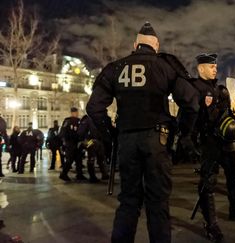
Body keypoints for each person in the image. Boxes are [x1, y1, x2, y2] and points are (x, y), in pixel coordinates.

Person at [86, 22, 199, 243]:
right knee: (157, 202)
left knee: (128, 201)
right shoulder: (166, 66)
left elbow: (94, 107)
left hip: (127, 140)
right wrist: (182, 132)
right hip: (158, 139)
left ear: (135, 45)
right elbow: (192, 103)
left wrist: (110, 134)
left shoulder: (115, 68)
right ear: (156, 46)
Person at [191, 53, 235, 242]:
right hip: (209, 142)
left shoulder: (220, 89)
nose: (215, 69)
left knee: (234, 175)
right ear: (201, 68)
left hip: (225, 141)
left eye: (215, 66)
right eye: (211, 66)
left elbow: (227, 112)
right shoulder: (195, 88)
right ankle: (211, 224)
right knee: (208, 183)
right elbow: (193, 115)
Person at [77, 115, 109, 183]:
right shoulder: (87, 119)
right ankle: (92, 176)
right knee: (92, 157)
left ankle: (104, 174)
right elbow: (81, 131)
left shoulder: (99, 118)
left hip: (98, 140)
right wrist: (84, 140)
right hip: (91, 140)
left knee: (101, 158)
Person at [59, 107, 86, 181]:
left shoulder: (75, 121)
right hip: (71, 143)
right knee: (70, 159)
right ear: (73, 113)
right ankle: (63, 174)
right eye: (76, 112)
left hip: (75, 143)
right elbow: (63, 132)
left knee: (78, 159)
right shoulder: (69, 120)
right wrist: (65, 142)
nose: (77, 114)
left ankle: (79, 174)